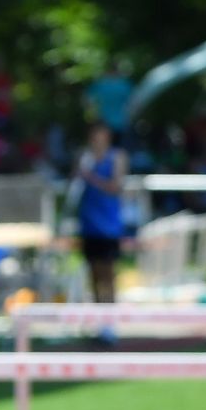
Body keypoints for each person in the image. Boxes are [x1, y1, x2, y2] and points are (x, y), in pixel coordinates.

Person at [74, 122, 128, 328]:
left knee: (109, 273)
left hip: (109, 226)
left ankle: (111, 323)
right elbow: (75, 182)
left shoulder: (117, 156)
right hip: (88, 225)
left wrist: (90, 177)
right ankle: (99, 322)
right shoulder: (84, 157)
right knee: (94, 274)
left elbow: (115, 186)